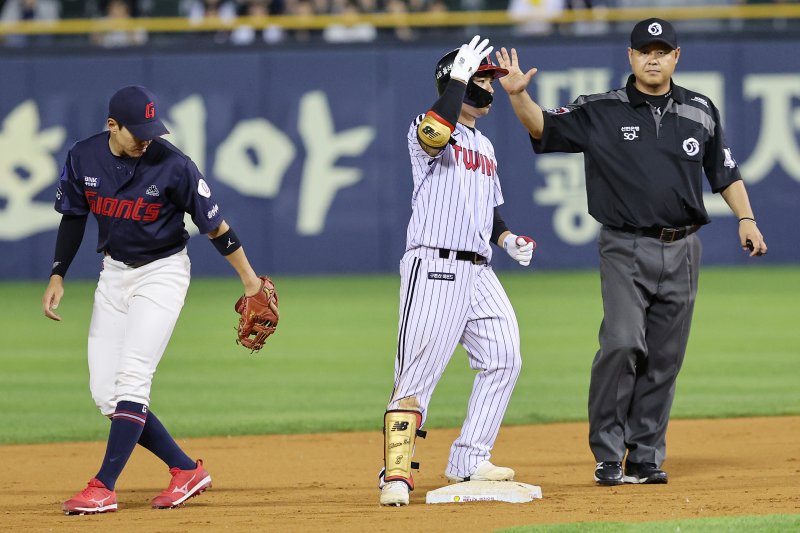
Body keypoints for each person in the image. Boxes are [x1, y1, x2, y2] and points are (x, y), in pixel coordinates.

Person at [495, 18, 768, 486]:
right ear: (630, 56)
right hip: (624, 245)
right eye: (645, 50)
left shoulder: (700, 110)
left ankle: (643, 456)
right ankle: (607, 451)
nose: (653, 58)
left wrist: (747, 218)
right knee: (622, 343)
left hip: (683, 248)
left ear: (676, 57)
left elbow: (724, 171)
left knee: (664, 358)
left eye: (662, 50)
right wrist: (519, 96)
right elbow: (545, 128)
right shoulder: (602, 109)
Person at [42, 85, 268, 514]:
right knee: (106, 394)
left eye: (152, 127)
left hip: (162, 274)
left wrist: (251, 282)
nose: (147, 137)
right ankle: (186, 470)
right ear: (113, 125)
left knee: (132, 379)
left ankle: (103, 485)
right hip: (114, 275)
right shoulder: (83, 156)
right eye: (138, 130)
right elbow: (73, 216)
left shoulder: (174, 165)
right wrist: (58, 273)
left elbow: (216, 229)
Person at [379, 36, 537, 507]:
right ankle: (396, 474)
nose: (488, 86)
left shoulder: (485, 144)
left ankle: (469, 458)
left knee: (505, 356)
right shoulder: (425, 126)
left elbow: (491, 211)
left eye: (487, 79)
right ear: (460, 83)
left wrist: (507, 238)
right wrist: (456, 80)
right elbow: (435, 135)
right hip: (435, 265)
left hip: (479, 270)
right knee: (415, 374)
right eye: (481, 78)